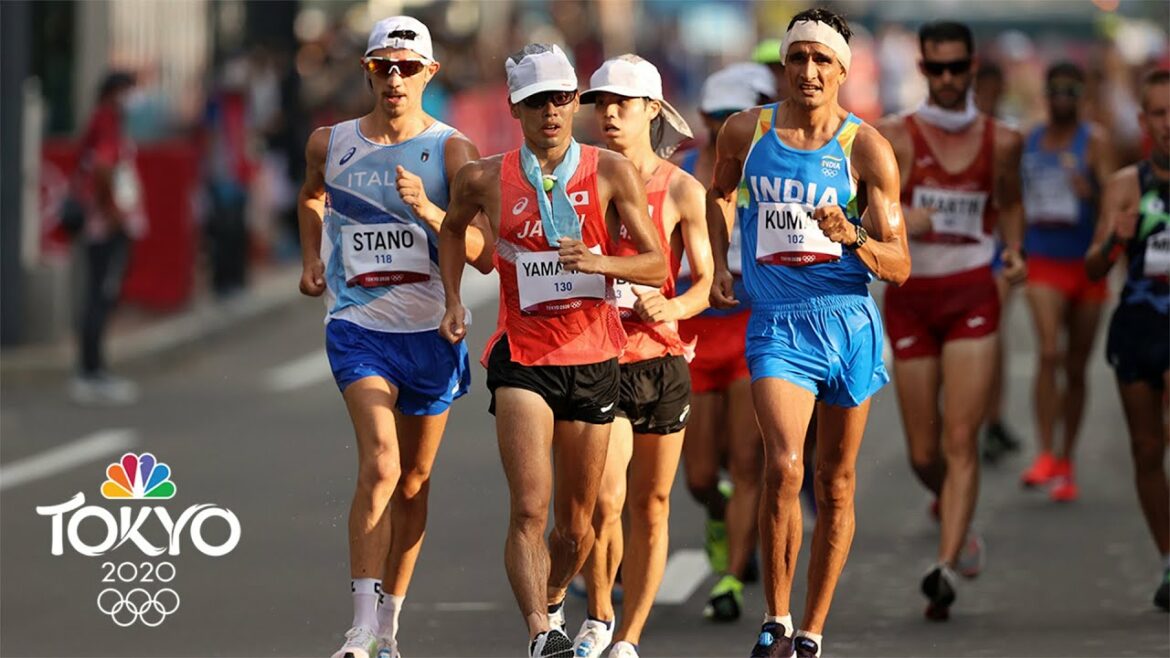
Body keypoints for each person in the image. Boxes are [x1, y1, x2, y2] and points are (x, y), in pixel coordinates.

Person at [436, 44, 668, 658]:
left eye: (562, 99)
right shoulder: (482, 177)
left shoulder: (611, 171)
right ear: (515, 108)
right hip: (524, 358)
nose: (552, 113)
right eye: (537, 102)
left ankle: (556, 593)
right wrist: (454, 299)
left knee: (577, 525)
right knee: (529, 509)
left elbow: (655, 265)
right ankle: (542, 632)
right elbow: (452, 228)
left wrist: (600, 261)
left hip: (593, 359)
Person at [707, 9, 911, 657]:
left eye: (822, 60)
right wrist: (719, 264)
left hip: (847, 322)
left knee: (837, 481)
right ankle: (775, 616)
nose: (808, 71)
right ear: (784, 65)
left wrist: (851, 234)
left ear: (843, 70)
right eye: (798, 58)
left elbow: (899, 263)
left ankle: (813, 628)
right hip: (777, 326)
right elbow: (718, 193)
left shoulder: (866, 148)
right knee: (784, 466)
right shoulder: (746, 131)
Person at [296, 17, 494, 658]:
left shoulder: (454, 151)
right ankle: (358, 626)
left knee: (413, 481)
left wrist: (429, 211)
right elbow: (310, 197)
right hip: (358, 326)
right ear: (368, 71)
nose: (396, 78)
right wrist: (311, 259)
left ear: (430, 74)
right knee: (381, 463)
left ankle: (389, 622)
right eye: (385, 66)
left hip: (432, 331)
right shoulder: (332, 143)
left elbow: (485, 255)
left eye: (409, 68)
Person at [877, 20, 1026, 620]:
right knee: (922, 452)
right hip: (912, 294)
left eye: (955, 67)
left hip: (971, 294)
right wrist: (897, 221)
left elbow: (1010, 203)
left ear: (972, 68)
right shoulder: (896, 136)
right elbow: (866, 212)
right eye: (933, 68)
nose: (945, 79)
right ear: (921, 70)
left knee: (961, 439)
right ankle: (954, 512)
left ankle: (943, 566)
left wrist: (1013, 252)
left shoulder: (1004, 140)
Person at [570, 55, 712, 658]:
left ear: (652, 111)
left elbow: (707, 281)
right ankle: (601, 612)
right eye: (601, 104)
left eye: (621, 105)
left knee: (651, 505)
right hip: (600, 357)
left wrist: (674, 310)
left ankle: (629, 638)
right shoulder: (578, 179)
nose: (608, 115)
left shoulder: (682, 189)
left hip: (662, 360)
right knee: (605, 497)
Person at [672, 61, 774, 623]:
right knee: (701, 476)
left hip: (752, 325)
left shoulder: (771, 171)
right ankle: (721, 514)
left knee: (748, 459)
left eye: (732, 118)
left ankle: (732, 576)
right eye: (712, 117)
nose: (719, 129)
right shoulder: (682, 171)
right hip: (692, 326)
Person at [1085, 68, 1169, 611]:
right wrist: (1116, 240)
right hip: (1138, 324)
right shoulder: (1124, 184)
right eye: (1160, 113)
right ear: (1144, 121)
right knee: (1146, 449)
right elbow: (1093, 267)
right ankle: (1168, 558)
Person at [1018, 62, 1116, 501]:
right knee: (1050, 352)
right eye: (1055, 89)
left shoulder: (1094, 142)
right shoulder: (1030, 140)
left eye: (1071, 91)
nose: (1062, 97)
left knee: (1075, 367)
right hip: (1043, 260)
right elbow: (1013, 198)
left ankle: (1066, 459)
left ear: (1081, 96)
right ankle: (1044, 451)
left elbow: (1115, 203)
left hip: (1085, 265)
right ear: (1045, 93)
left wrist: (1089, 191)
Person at [69, 71, 145, 406]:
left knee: (102, 294)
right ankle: (90, 370)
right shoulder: (105, 121)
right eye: (128, 90)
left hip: (109, 221)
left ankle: (93, 368)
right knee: (101, 293)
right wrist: (113, 212)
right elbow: (102, 167)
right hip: (105, 226)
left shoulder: (111, 121)